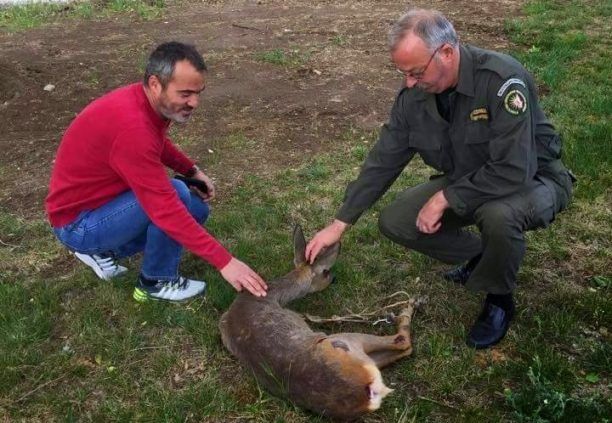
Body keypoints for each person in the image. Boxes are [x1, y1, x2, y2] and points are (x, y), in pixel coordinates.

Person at [305, 9, 574, 349]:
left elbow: (513, 168)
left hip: (534, 178)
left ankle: (499, 298)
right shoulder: (415, 95)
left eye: (416, 72)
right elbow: (384, 158)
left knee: (499, 215)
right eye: (403, 73)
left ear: (446, 52)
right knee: (397, 221)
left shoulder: (501, 80)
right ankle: (485, 256)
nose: (409, 82)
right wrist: (340, 222)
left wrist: (445, 198)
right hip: (472, 179)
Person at [46, 41, 267, 303]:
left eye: (198, 92)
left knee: (196, 209)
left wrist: (190, 169)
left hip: (99, 206)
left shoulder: (142, 102)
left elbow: (156, 142)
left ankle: (106, 251)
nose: (194, 102)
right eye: (185, 94)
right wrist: (226, 262)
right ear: (155, 83)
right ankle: (155, 282)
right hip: (77, 224)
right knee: (176, 196)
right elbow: (164, 207)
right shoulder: (132, 129)